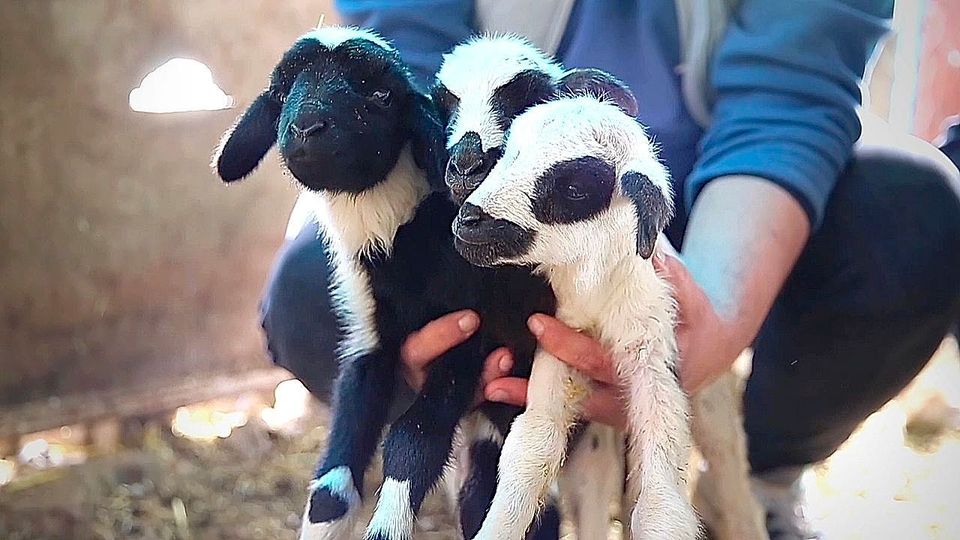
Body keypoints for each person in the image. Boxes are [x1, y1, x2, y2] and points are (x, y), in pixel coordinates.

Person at [259, 1, 960, 538]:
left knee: (911, 222)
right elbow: (402, 64)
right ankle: (470, 446)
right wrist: (425, 303)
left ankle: (756, 479)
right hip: (488, 218)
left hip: (662, 204)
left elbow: (792, 94)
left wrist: (714, 316)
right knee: (311, 301)